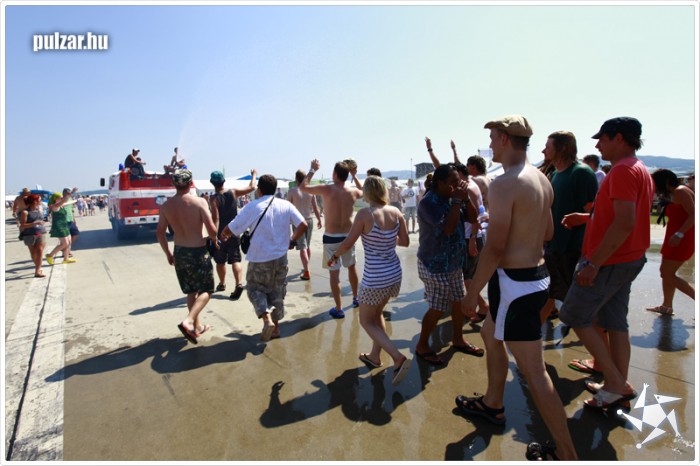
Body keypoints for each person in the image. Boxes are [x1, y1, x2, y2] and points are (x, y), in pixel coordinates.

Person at [459, 115, 577, 461]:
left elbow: (495, 248)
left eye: (493, 138)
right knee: (489, 333)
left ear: (505, 140)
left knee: (535, 372)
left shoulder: (505, 183)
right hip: (535, 277)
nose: (490, 144)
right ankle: (492, 403)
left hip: (515, 284)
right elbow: (549, 232)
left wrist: (472, 292)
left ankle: (567, 454)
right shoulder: (542, 179)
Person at [559, 117, 653, 413]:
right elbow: (621, 214)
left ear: (619, 138)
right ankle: (618, 385)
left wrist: (594, 264)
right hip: (628, 258)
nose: (598, 145)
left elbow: (624, 223)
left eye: (603, 138)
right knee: (615, 322)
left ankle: (614, 382)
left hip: (610, 260)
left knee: (574, 314)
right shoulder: (638, 168)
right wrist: (586, 217)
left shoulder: (623, 170)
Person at [328, 176, 411, 384]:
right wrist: (386, 238)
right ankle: (375, 356)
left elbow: (348, 243)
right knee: (377, 314)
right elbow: (405, 242)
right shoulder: (396, 212)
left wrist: (335, 255)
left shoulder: (365, 214)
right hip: (394, 274)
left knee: (365, 320)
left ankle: (398, 358)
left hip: (375, 278)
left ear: (367, 192)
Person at [220, 174, 307, 341]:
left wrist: (224, 234)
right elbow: (302, 224)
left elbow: (232, 228)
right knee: (277, 292)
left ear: (259, 190)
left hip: (259, 259)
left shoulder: (253, 206)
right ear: (274, 190)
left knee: (254, 289)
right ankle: (276, 329)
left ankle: (266, 319)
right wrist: (292, 239)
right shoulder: (286, 205)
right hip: (280, 258)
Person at [415, 163, 483, 365]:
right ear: (440, 183)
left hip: (453, 262)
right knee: (438, 307)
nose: (458, 185)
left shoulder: (454, 198)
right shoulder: (428, 203)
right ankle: (422, 346)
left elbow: (473, 218)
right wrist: (457, 201)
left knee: (458, 301)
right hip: (434, 265)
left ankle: (458, 339)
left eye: (459, 181)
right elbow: (448, 228)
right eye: (453, 182)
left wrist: (465, 199)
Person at [425, 136, 489, 323]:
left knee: (467, 279)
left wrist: (472, 240)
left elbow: (474, 216)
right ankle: (472, 307)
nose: (452, 181)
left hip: (472, 236)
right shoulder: (473, 183)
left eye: (454, 177)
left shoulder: (468, 189)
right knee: (469, 276)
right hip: (474, 235)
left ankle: (483, 307)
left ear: (460, 174)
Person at [539, 132, 598, 323]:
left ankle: (595, 332)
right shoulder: (556, 174)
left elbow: (595, 215)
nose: (543, 150)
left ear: (562, 148)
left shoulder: (581, 173)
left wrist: (579, 219)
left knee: (577, 302)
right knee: (552, 292)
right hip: (554, 247)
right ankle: (533, 330)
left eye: (548, 146)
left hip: (572, 250)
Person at [157, 169, 219, 344]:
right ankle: (189, 321)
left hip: (180, 252)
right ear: (191, 183)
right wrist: (215, 239)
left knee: (191, 290)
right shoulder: (199, 202)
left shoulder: (166, 206)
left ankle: (196, 327)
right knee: (207, 289)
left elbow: (160, 233)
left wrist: (168, 253)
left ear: (174, 184)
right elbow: (212, 230)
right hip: (197, 251)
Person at [300, 159, 363, 318]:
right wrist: (354, 176)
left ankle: (339, 308)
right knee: (351, 267)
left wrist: (312, 169)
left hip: (331, 238)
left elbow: (303, 187)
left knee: (334, 274)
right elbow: (364, 191)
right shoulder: (352, 191)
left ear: (334, 173)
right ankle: (356, 298)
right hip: (348, 237)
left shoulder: (327, 188)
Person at [646, 169, 695, 315]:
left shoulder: (680, 191)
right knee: (667, 273)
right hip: (674, 236)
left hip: (682, 237)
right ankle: (667, 306)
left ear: (666, 182)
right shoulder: (676, 192)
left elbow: (694, 214)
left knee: (667, 274)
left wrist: (680, 233)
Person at [209, 169, 257, 300]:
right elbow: (252, 187)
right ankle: (238, 283)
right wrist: (253, 175)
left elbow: (216, 218)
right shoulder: (233, 192)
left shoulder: (213, 199)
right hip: (233, 232)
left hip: (221, 234)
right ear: (224, 181)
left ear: (212, 183)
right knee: (235, 259)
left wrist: (215, 236)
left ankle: (222, 283)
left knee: (220, 261)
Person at [287, 170, 322, 280]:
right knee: (307, 246)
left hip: (298, 221)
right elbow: (315, 207)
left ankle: (306, 271)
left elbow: (287, 208)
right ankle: (306, 267)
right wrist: (319, 219)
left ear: (296, 179)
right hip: (309, 220)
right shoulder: (310, 191)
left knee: (302, 247)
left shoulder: (292, 191)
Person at [19, 194, 48, 278]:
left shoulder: (39, 210)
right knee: (33, 253)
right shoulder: (25, 212)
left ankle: (37, 271)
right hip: (29, 234)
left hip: (40, 232)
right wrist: (34, 224)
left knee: (40, 250)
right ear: (35, 201)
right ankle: (38, 266)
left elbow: (41, 219)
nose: (41, 201)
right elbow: (23, 225)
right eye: (40, 200)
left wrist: (41, 222)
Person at [45, 191, 77, 265]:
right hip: (59, 226)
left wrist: (74, 199)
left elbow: (68, 202)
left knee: (68, 242)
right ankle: (50, 255)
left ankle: (66, 259)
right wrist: (71, 193)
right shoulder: (55, 206)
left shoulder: (61, 205)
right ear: (56, 199)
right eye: (60, 197)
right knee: (64, 243)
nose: (62, 198)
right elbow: (65, 200)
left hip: (64, 225)